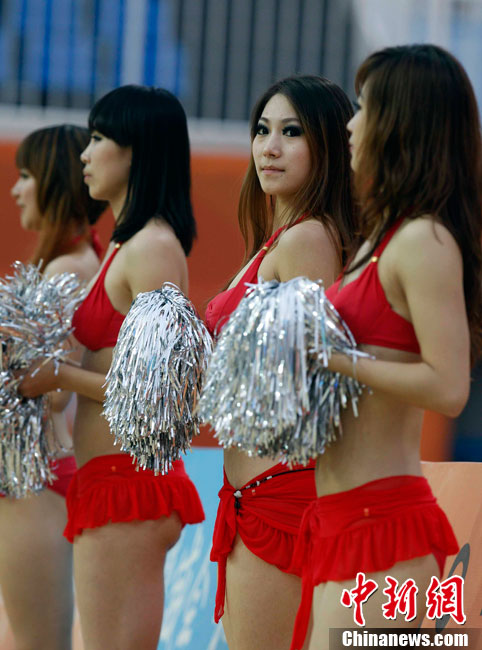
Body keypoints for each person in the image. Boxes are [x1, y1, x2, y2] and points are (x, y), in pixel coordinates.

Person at [289, 45, 482, 650]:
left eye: (364, 108)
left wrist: (339, 359)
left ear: (400, 121)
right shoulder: (383, 237)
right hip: (341, 522)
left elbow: (449, 387)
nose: (350, 125)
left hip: (384, 531)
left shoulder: (425, 240)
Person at [19, 85, 205, 650]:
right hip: (106, 482)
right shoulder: (127, 246)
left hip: (130, 484)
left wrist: (60, 375)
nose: (85, 154)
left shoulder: (152, 248)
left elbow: (161, 396)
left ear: (136, 151)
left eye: (98, 138)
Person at [204, 75, 357, 650]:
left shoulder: (307, 240)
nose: (269, 147)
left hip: (282, 500)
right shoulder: (279, 238)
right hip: (253, 498)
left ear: (328, 144)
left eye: (291, 132)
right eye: (262, 130)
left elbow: (318, 378)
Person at [0, 124, 106, 650]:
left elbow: (55, 387)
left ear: (55, 182)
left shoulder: (71, 266)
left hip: (33, 477)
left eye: (26, 176)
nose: (16, 189)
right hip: (31, 473)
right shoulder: (73, 261)